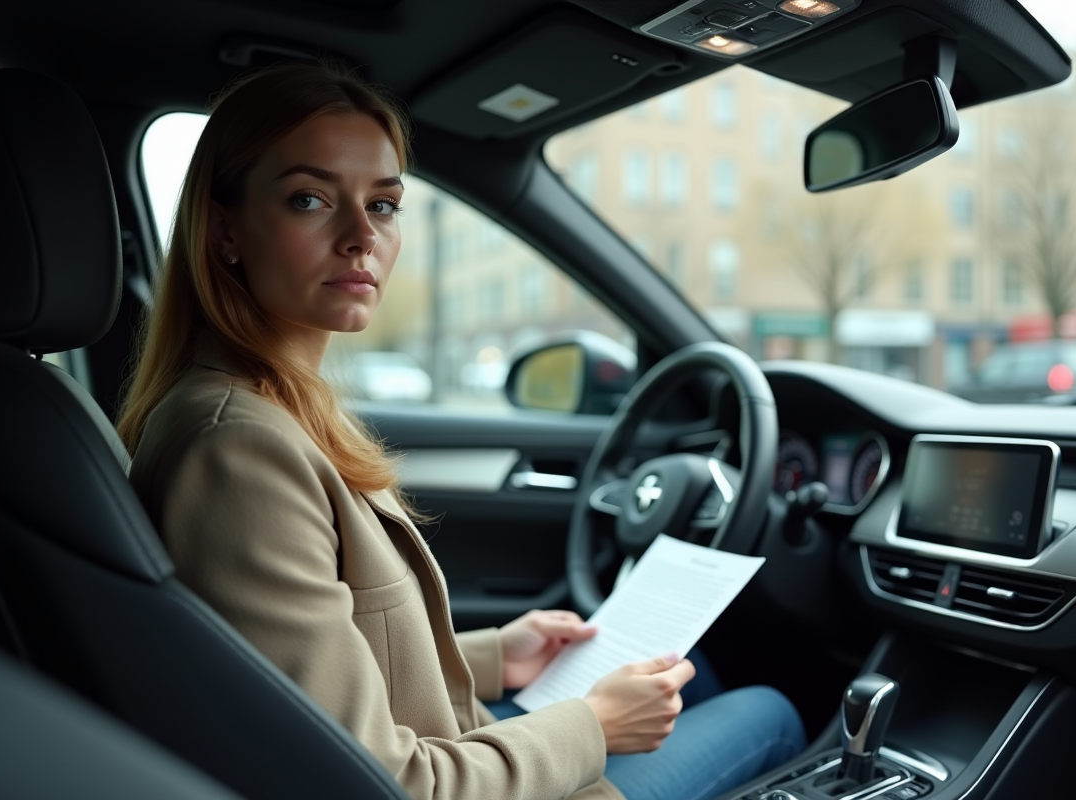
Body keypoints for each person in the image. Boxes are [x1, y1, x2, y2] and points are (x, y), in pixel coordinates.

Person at [118, 61, 805, 800]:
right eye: (310, 198)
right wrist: (593, 727)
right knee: (770, 712)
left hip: (451, 743)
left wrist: (495, 657)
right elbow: (373, 783)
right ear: (224, 229)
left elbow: (308, 675)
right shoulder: (238, 450)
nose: (360, 237)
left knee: (701, 689)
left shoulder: (263, 408)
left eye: (383, 205)